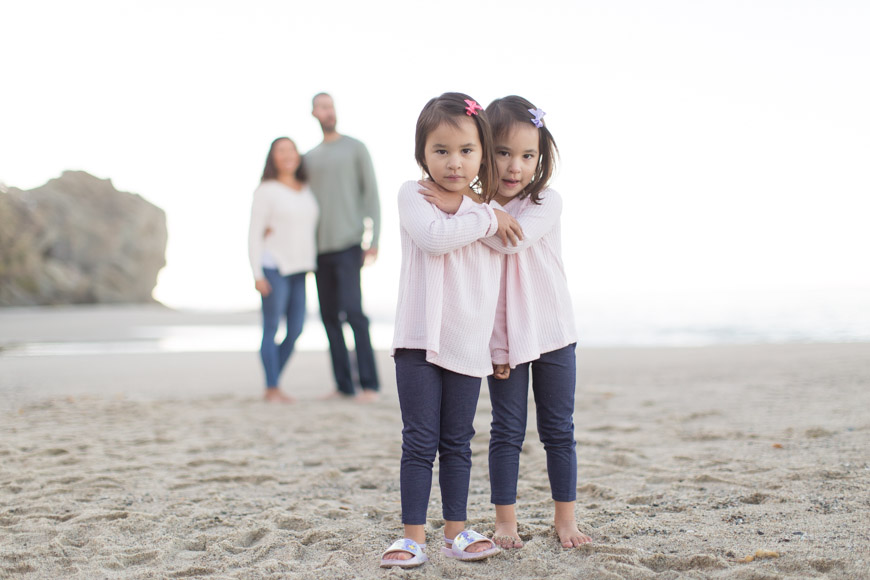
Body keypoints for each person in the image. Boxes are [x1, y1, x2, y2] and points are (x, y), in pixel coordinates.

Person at [418, 96, 593, 549]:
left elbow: (511, 242)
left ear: (541, 158)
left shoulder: (544, 202)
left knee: (559, 428)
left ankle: (565, 519)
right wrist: (480, 209)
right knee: (506, 431)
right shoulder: (480, 211)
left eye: (528, 156)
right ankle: (506, 523)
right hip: (504, 341)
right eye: (503, 153)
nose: (516, 167)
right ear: (483, 150)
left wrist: (468, 207)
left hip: (553, 332)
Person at [379, 92, 524, 569]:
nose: (454, 162)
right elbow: (435, 238)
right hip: (418, 340)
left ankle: (456, 533)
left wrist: (479, 209)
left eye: (466, 151)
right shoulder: (414, 195)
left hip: (467, 343)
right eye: (441, 151)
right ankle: (413, 537)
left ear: (482, 153)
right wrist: (484, 214)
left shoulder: (488, 210)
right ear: (422, 153)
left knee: (458, 441)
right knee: (419, 440)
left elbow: (508, 260)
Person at [304, 92, 381, 402]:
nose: (327, 112)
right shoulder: (308, 158)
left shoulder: (355, 148)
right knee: (328, 318)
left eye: (331, 106)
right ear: (314, 114)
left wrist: (373, 241)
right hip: (318, 249)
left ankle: (369, 385)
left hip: (350, 244)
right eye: (322, 107)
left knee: (354, 313)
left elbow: (372, 195)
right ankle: (343, 386)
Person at [247, 137, 319, 403]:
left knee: (297, 329)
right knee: (270, 328)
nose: (287, 155)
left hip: (301, 268)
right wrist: (257, 273)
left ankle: (273, 379)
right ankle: (272, 386)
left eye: (291, 150)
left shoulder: (306, 188)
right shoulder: (266, 190)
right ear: (273, 157)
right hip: (274, 266)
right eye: (281, 150)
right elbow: (254, 234)